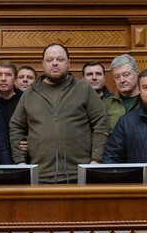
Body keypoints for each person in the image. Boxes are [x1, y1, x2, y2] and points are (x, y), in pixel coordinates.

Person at [9, 43, 108, 183]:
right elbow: (16, 127)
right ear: (43, 64)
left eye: (60, 59)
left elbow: (101, 123)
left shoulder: (84, 89)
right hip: (40, 176)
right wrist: (20, 162)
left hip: (79, 175)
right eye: (49, 60)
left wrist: (96, 160)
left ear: (68, 63)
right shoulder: (30, 93)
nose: (54, 63)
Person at [105, 54, 142, 131]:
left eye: (126, 75)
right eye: (117, 77)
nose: (122, 80)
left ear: (137, 74)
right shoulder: (107, 104)